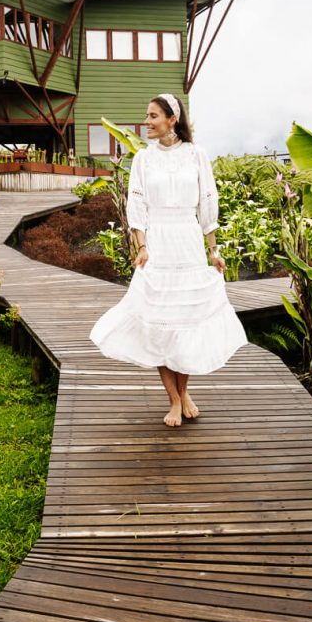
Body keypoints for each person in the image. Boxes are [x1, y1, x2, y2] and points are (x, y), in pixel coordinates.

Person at [89, 93, 247, 427]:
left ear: (171, 119)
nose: (146, 122)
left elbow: (207, 203)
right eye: (146, 116)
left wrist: (213, 251)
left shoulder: (196, 155)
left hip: (188, 242)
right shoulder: (144, 159)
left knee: (186, 321)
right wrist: (141, 246)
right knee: (159, 322)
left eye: (152, 116)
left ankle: (185, 391)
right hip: (158, 243)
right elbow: (137, 206)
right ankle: (173, 400)